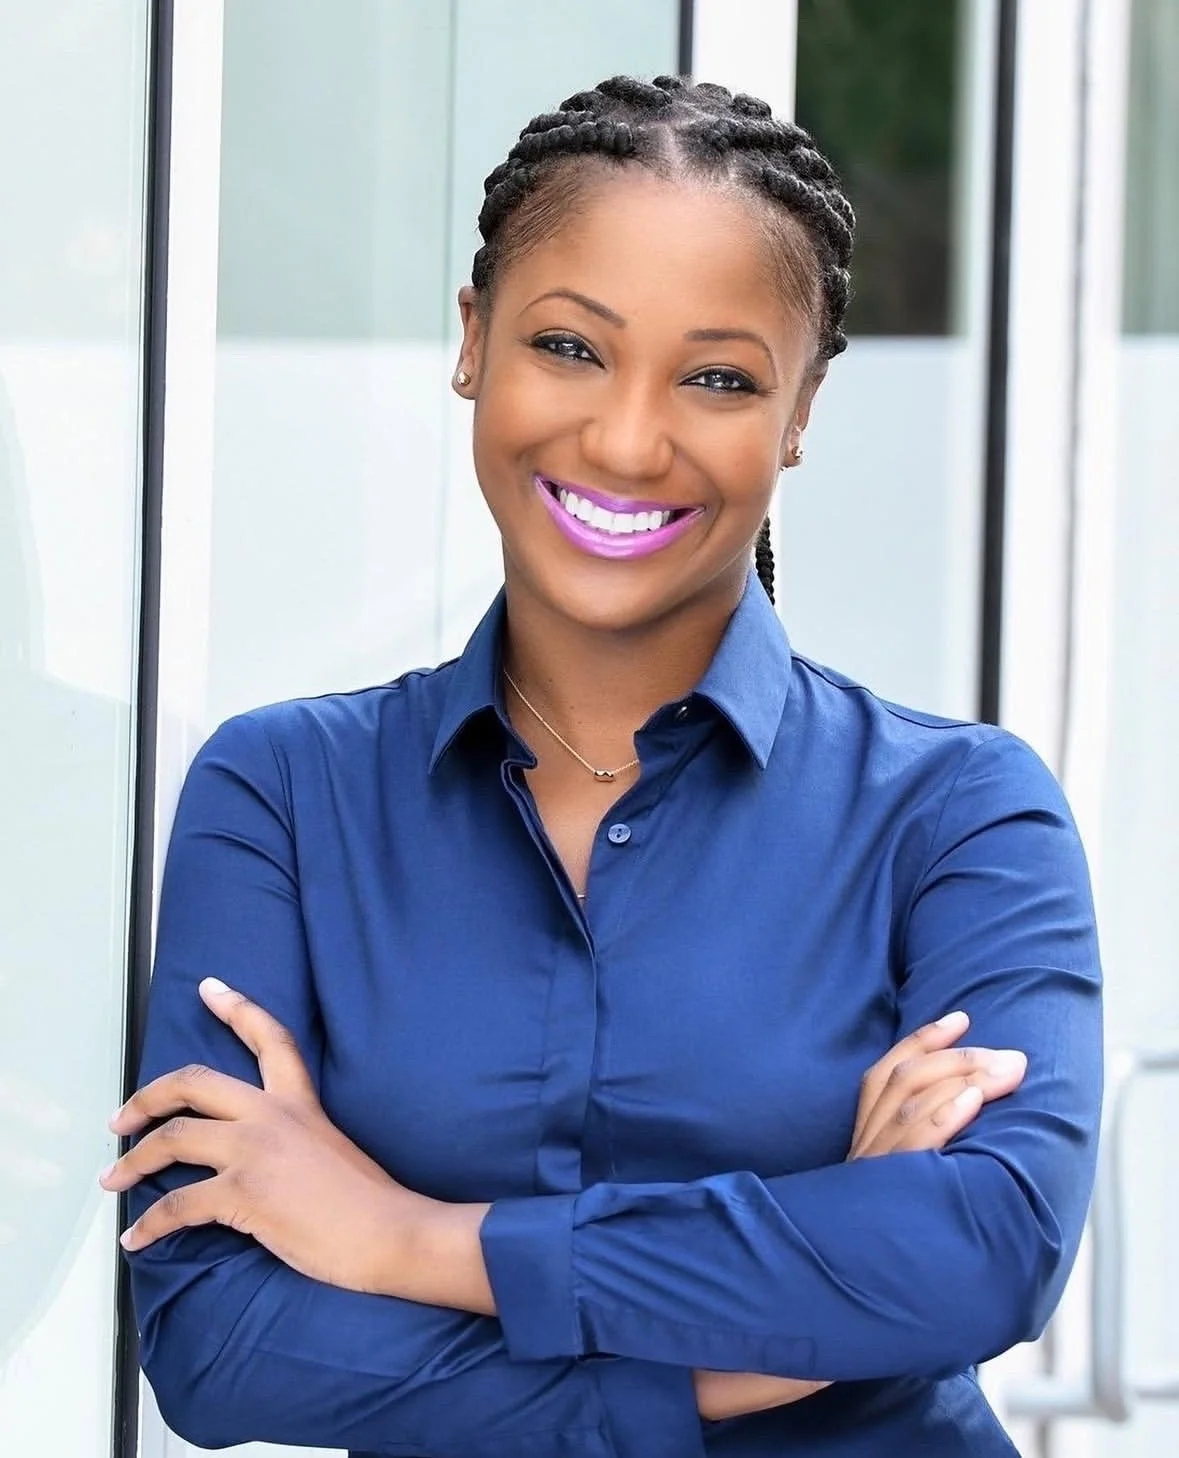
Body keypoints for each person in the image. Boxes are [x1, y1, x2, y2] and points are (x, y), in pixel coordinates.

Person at [101, 75, 1102, 1457]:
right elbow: (216, 1339)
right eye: (569, 347)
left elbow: (983, 1252)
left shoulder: (958, 813)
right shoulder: (281, 795)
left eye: (716, 376)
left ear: (798, 412)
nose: (628, 440)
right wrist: (751, 1347)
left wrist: (406, 1238)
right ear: (472, 340)